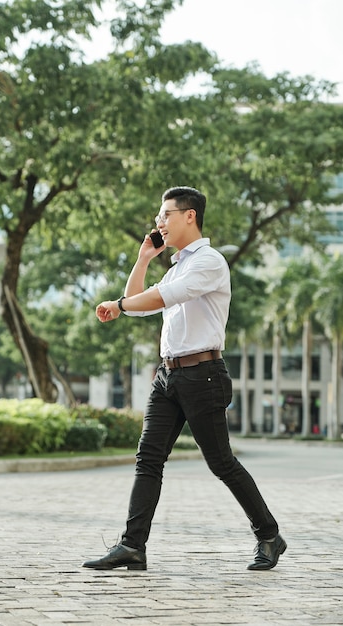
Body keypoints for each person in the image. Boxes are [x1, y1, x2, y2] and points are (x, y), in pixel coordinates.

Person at [82, 186, 286, 572]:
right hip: (168, 376)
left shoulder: (209, 262)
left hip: (202, 375)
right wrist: (144, 259)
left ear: (189, 215)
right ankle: (132, 546)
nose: (159, 221)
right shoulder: (176, 264)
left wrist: (118, 305)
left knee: (221, 463)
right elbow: (141, 303)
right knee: (148, 459)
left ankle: (270, 535)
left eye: (166, 214)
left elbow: (157, 299)